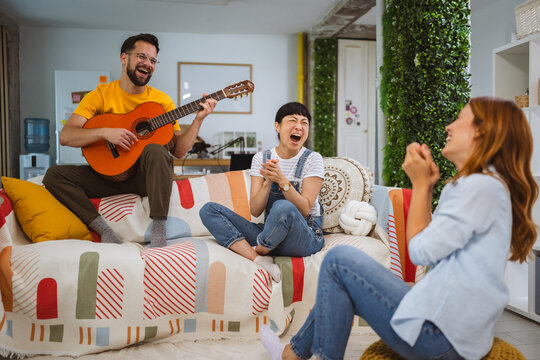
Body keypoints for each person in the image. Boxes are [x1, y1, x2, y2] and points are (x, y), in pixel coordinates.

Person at [261, 96, 538, 360]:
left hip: (440, 336)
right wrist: (427, 189)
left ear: (481, 132)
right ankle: (293, 354)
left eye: (459, 119)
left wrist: (418, 185)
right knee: (340, 276)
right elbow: (436, 248)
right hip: (449, 325)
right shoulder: (482, 184)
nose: (448, 126)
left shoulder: (479, 187)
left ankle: (298, 355)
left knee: (337, 262)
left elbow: (419, 252)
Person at [43, 33, 217, 248]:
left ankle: (159, 233)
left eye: (153, 60)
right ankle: (105, 231)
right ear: (124, 58)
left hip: (143, 180)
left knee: (156, 149)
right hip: (105, 176)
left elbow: (179, 151)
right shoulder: (99, 95)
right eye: (142, 56)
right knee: (53, 176)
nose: (148, 64)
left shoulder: (162, 102)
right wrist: (105, 132)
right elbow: (66, 136)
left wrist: (198, 120)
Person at [199, 102, 325, 282]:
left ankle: (260, 247)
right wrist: (268, 183)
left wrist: (283, 181)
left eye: (304, 123)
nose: (299, 127)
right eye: (292, 120)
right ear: (277, 126)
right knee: (209, 210)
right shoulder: (262, 158)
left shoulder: (313, 159)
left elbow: (305, 209)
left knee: (283, 206)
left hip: (304, 236)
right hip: (272, 233)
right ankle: (258, 259)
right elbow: (256, 210)